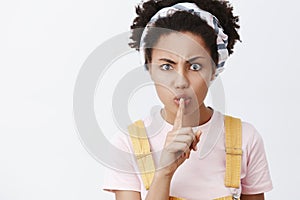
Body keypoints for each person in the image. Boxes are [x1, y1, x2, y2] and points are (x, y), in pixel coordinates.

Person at [102, 0, 273, 199]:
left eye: (195, 66)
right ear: (149, 68)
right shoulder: (127, 144)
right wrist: (164, 172)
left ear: (214, 70)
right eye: (167, 66)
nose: (181, 82)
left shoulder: (246, 139)